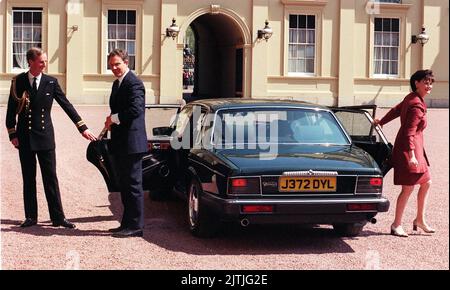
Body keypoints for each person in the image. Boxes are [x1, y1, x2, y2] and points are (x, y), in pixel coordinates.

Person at [5, 47, 96, 229]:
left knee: (50, 178)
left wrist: (82, 128)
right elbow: (10, 111)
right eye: (41, 61)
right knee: (28, 178)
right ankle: (31, 217)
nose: (44, 64)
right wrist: (12, 134)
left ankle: (58, 217)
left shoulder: (51, 82)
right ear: (30, 62)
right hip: (25, 138)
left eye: (45, 61)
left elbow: (66, 105)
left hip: (45, 137)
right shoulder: (18, 81)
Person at [373, 69, 435, 237]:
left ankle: (419, 220)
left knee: (427, 182)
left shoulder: (412, 98)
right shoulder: (416, 104)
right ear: (417, 83)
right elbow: (409, 131)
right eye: (426, 82)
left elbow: (396, 110)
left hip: (414, 148)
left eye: (430, 82)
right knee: (407, 188)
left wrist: (381, 121)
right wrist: (412, 155)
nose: (429, 85)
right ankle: (396, 224)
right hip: (409, 149)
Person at [104, 49, 147, 238]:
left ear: (127, 62)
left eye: (117, 64)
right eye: (111, 65)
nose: (114, 68)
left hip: (132, 143)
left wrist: (113, 118)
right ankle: (126, 223)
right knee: (124, 185)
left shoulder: (134, 83)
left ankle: (136, 226)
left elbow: (136, 109)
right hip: (121, 142)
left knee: (133, 185)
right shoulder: (117, 84)